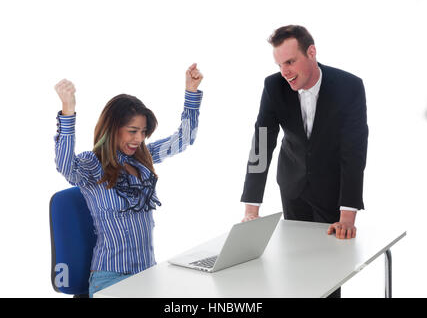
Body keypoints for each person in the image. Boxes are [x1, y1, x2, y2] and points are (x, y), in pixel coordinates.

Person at [54, 63, 203, 298]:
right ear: (113, 129)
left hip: (148, 275)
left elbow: (183, 140)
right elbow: (65, 165)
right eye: (132, 131)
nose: (139, 139)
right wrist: (68, 111)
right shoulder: (93, 165)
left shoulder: (142, 160)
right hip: (111, 280)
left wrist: (191, 93)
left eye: (143, 132)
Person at [240, 25, 368, 298]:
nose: (284, 71)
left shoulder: (349, 86)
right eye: (279, 64)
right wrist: (252, 208)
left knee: (330, 270)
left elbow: (354, 150)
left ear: (311, 52)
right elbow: (262, 143)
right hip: (292, 183)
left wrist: (348, 213)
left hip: (332, 187)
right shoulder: (273, 86)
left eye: (290, 61)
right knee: (297, 265)